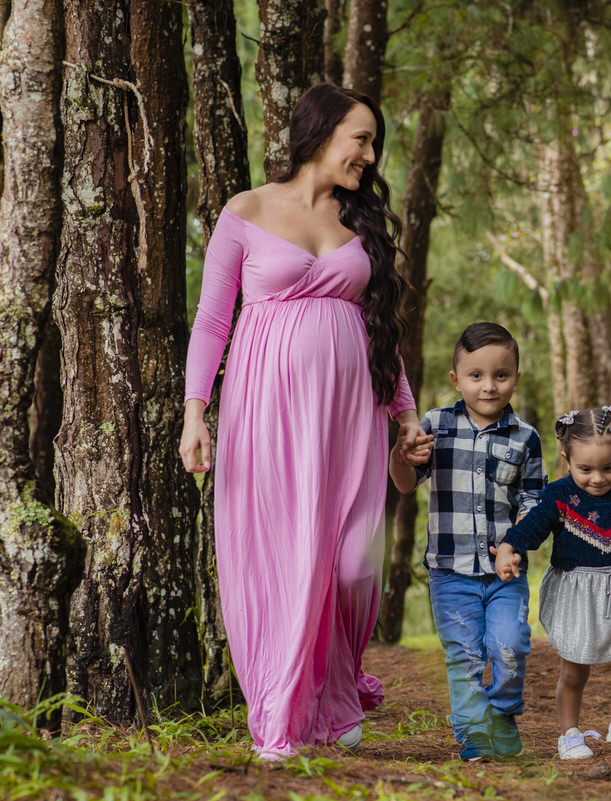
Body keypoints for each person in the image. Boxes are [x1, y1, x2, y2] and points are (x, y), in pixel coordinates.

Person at [179, 83, 432, 760]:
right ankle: (282, 713)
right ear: (322, 134)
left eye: (373, 142)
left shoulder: (362, 224)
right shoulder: (247, 210)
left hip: (351, 420)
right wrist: (194, 414)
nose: (369, 155)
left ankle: (336, 694)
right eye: (361, 139)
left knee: (350, 561)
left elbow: (386, 335)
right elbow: (211, 321)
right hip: (267, 413)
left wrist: (405, 414)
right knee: (282, 556)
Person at [390, 322, 546, 762]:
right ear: (456, 379)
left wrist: (515, 543)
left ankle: (501, 714)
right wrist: (399, 455)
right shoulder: (435, 425)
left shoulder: (525, 437)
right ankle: (475, 735)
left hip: (504, 572)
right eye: (476, 375)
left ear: (516, 376)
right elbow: (405, 482)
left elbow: (535, 499)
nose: (489, 386)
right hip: (450, 572)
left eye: (501, 375)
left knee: (510, 645)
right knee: (465, 657)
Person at [494, 406, 611, 760]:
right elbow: (533, 525)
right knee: (575, 672)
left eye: (608, 467)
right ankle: (569, 734)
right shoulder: (559, 495)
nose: (597, 478)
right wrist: (510, 547)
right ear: (567, 459)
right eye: (585, 469)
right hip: (576, 593)